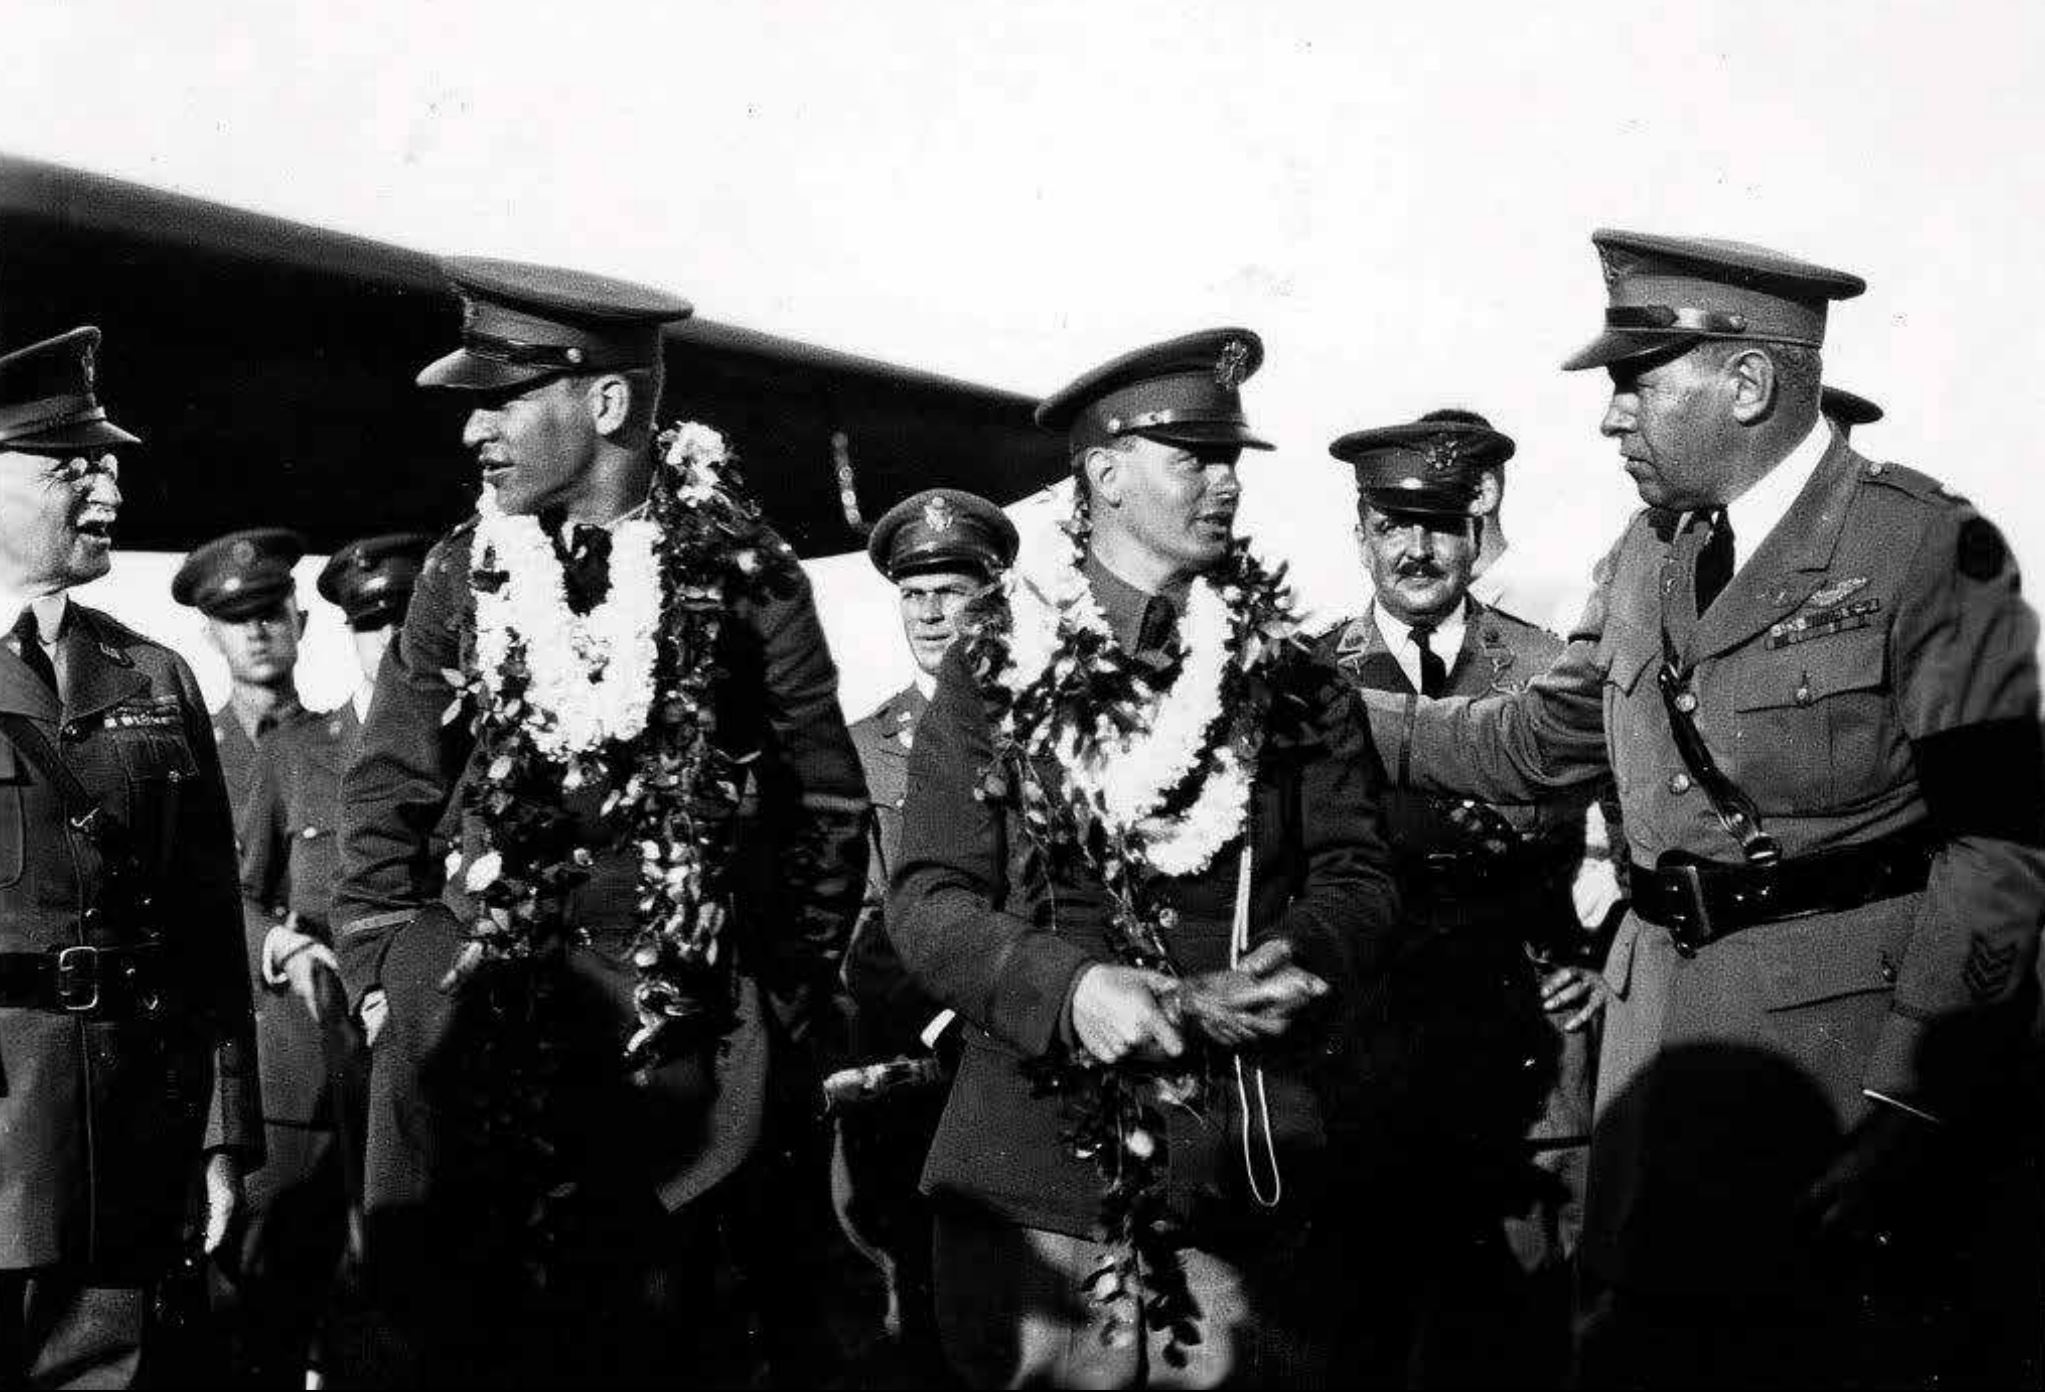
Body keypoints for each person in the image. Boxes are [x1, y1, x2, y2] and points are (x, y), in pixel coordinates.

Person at [1363, 229, 2045, 1387]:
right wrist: (1329, 718)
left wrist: (1911, 1102)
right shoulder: (1647, 552)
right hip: (1649, 1058)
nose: (1608, 419)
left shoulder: (1922, 547)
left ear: (1746, 382)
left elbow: (2002, 845)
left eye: (1633, 382)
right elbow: (1534, 741)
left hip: (1832, 1079)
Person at [333, 258, 868, 1386]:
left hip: (680, 1055)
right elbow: (388, 791)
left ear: (608, 403)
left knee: (666, 1337)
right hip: (475, 1036)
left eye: (503, 399)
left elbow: (823, 801)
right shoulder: (459, 571)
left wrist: (777, 993)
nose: (475, 430)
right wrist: (387, 964)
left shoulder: (744, 571)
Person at [889, 328, 1402, 1387]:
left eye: (1231, 463)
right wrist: (1067, 988)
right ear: (1106, 476)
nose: (1224, 486)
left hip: (1234, 1169)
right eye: (1194, 461)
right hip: (1034, 1180)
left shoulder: (1295, 675)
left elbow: (1357, 876)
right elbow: (929, 898)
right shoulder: (995, 663)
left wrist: (1293, 961)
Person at [1316, 408, 1619, 1385]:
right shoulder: (1297, 683)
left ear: (1472, 531)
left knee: (1521, 1339)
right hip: (1360, 1067)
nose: (1416, 549)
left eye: (1440, 524)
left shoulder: (1549, 673)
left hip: (1521, 1067)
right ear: (1357, 531)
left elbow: (1651, 835)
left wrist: (1603, 954)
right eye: (1391, 524)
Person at [0, 327, 260, 1385]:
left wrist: (221, 1128)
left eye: (105, 463)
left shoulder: (154, 677)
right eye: (70, 467)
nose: (106, 488)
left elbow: (206, 932)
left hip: (124, 1134)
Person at [227, 533, 428, 1386]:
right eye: (369, 627)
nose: (386, 646)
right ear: (345, 635)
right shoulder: (295, 749)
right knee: (287, 1302)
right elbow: (229, 894)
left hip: (429, 1062)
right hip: (316, 1078)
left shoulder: (485, 748)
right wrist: (282, 943)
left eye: (404, 625)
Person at [831, 487, 1019, 1372]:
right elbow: (865, 917)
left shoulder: (1045, 721)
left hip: (1032, 1029)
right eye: (915, 593)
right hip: (916, 1055)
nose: (933, 611)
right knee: (926, 1291)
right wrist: (940, 1016)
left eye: (954, 588)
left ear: (998, 592)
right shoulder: (867, 746)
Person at [172, 529, 312, 826]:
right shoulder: (188, 758)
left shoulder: (347, 747)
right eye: (236, 618)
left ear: (299, 623)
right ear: (211, 636)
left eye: (268, 614)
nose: (255, 633)